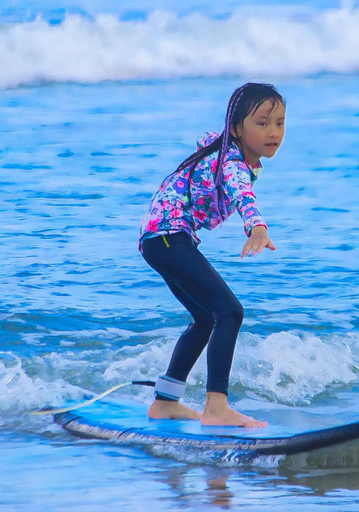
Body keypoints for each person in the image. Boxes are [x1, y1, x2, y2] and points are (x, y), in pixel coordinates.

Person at [138, 83, 286, 427]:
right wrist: (257, 227)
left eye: (279, 123)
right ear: (236, 128)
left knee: (207, 318)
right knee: (230, 311)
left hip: (159, 239)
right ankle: (216, 407)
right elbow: (240, 192)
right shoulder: (232, 161)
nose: (273, 132)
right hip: (168, 238)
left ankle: (165, 401)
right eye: (262, 123)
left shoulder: (225, 151)